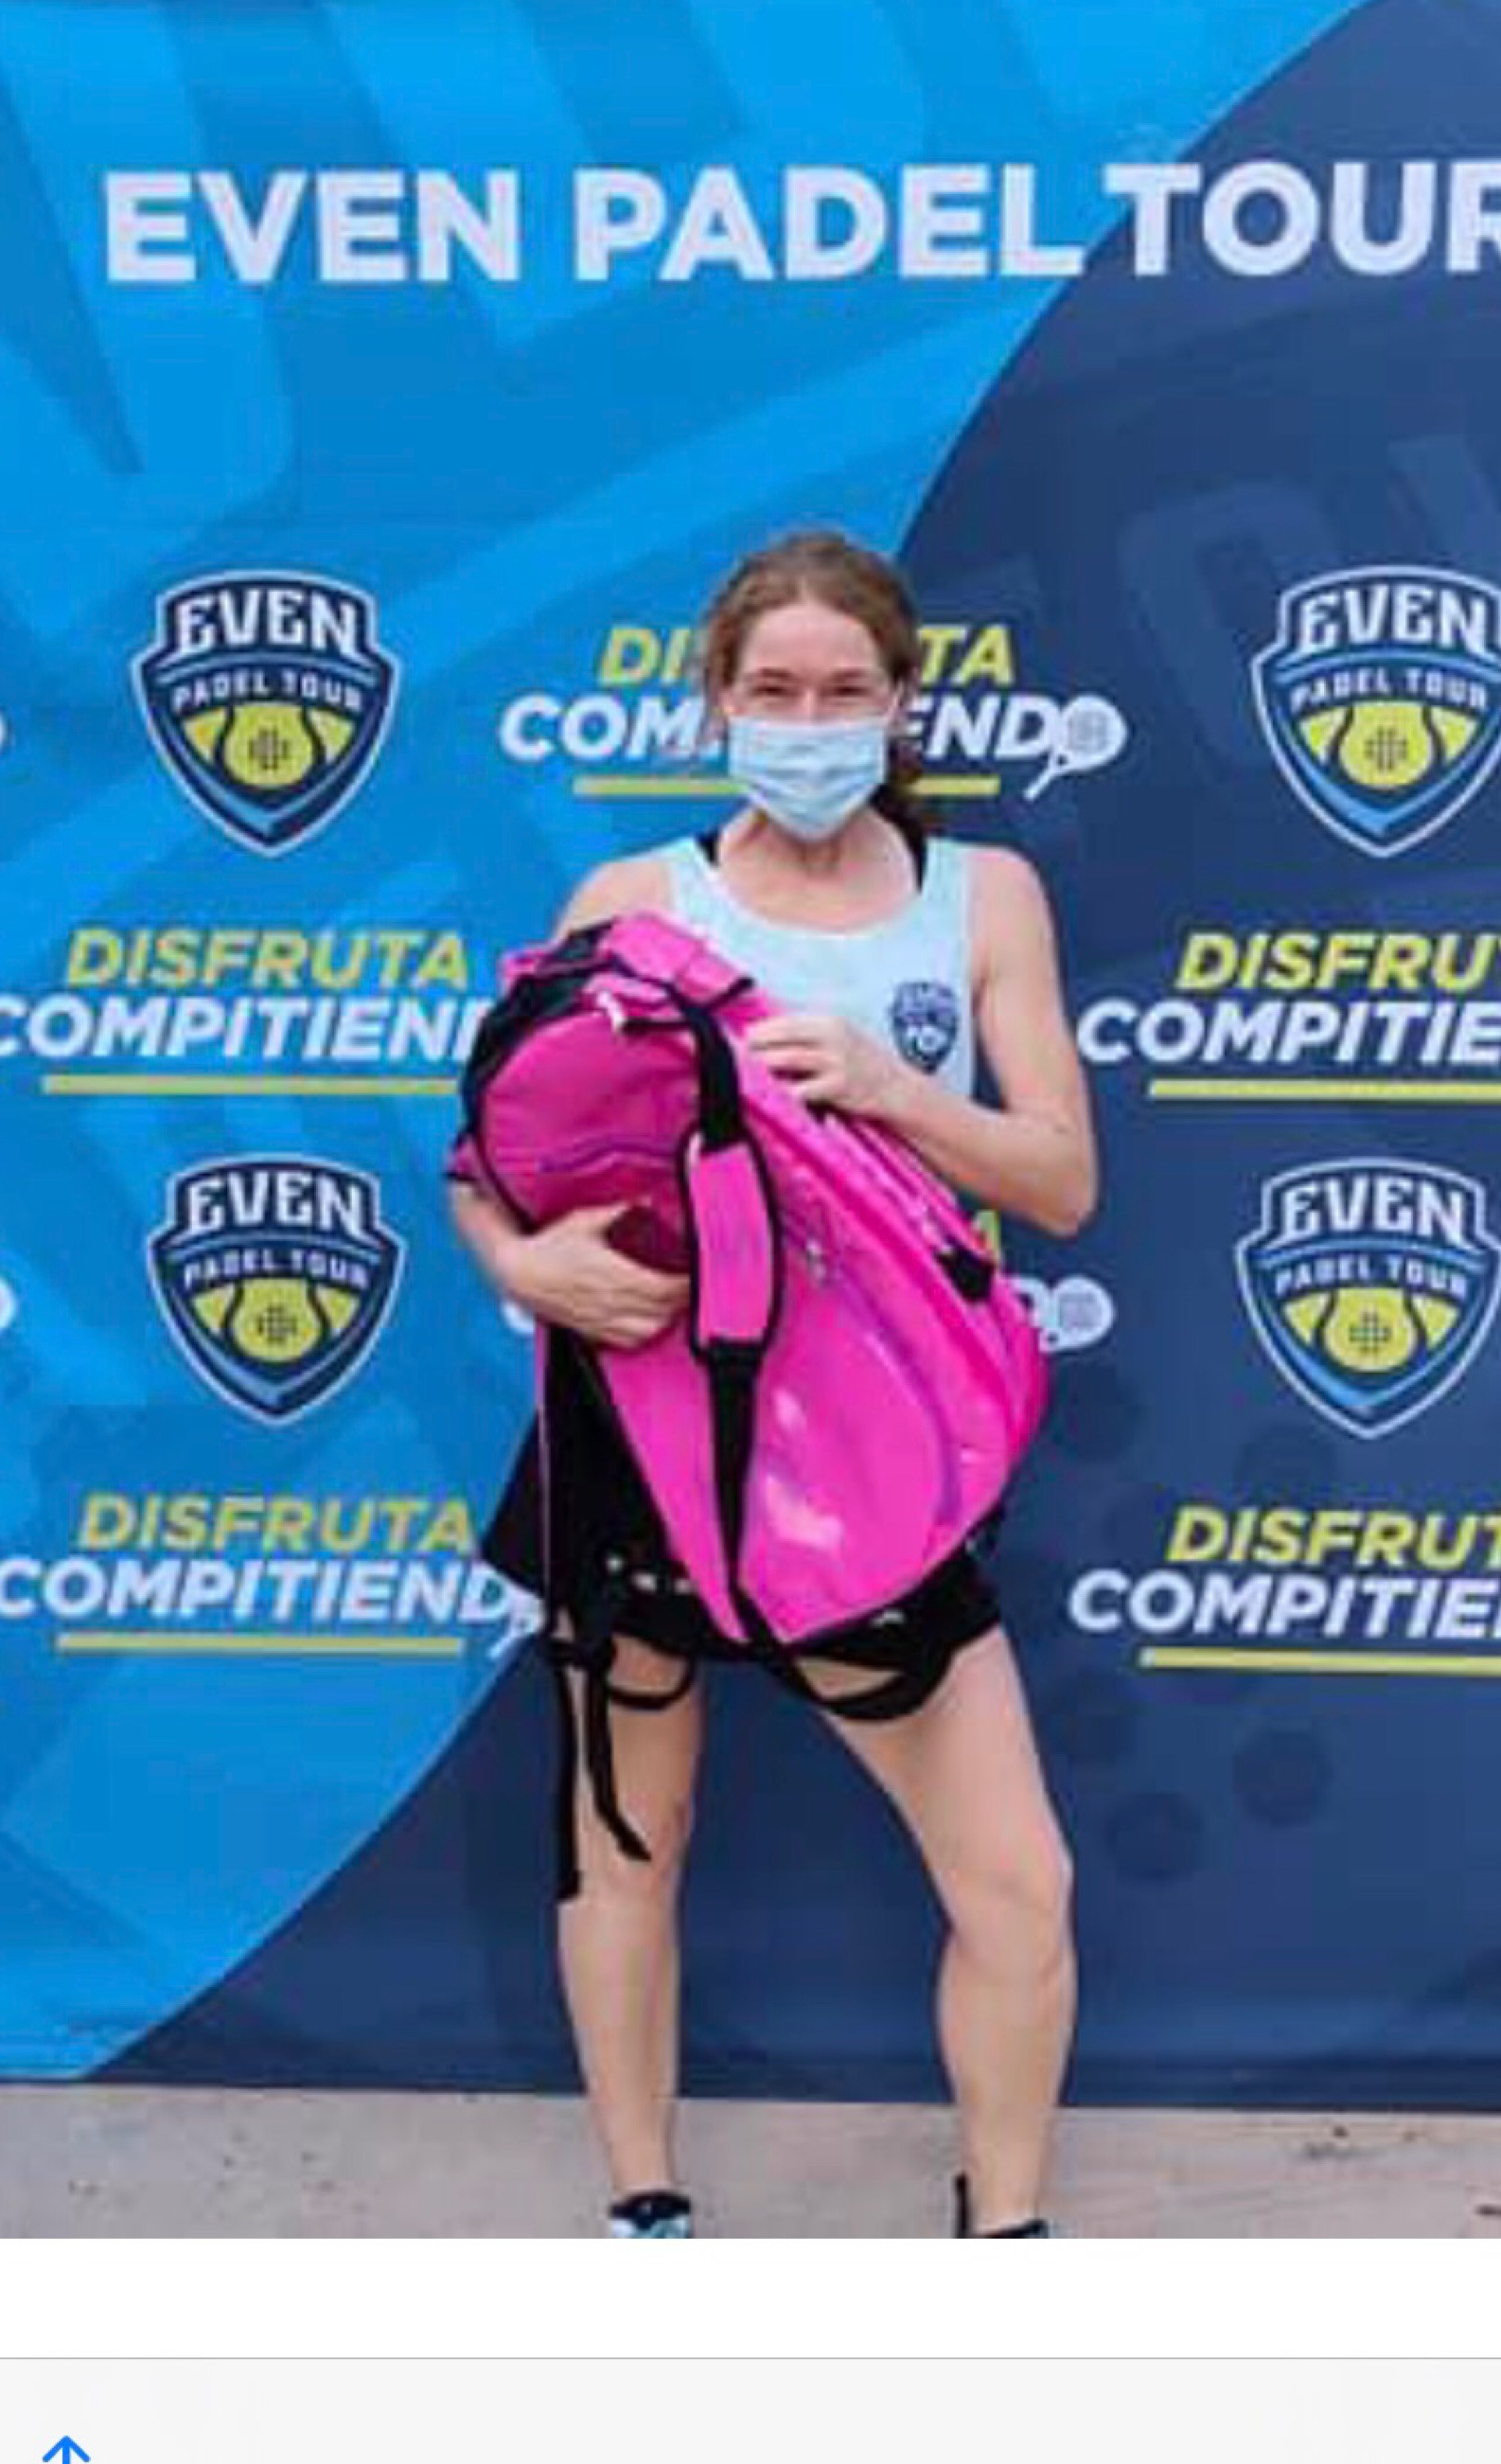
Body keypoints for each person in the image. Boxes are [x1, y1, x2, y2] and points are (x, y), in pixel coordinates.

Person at [447, 525, 1098, 2237]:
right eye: (774, 689)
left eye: (843, 689)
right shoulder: (633, 907)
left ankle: (1005, 2231)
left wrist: (894, 1089)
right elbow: (486, 1161)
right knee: (625, 1838)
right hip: (642, 1432)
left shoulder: (985, 899)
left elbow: (1060, 1182)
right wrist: (520, 1266)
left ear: (901, 704)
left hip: (876, 1463)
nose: (808, 720)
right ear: (717, 702)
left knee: (1017, 1882)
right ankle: (643, 2208)